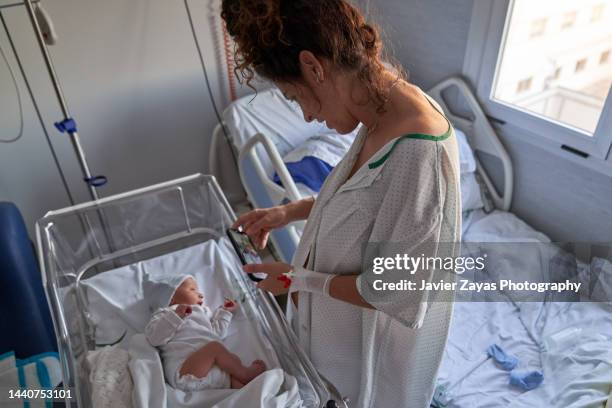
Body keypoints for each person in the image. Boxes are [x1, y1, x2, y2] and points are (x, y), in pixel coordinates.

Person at [222, 0, 461, 406]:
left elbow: (396, 291)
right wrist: (287, 212)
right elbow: (363, 201)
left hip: (373, 367)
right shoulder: (381, 114)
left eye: (296, 98)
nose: (308, 116)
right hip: (334, 347)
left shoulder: (417, 151)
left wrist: (300, 279)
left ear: (314, 68)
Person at [144, 275, 267, 391]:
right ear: (171, 298)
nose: (201, 294)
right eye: (192, 289)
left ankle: (242, 388)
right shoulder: (164, 314)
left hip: (205, 370)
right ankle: (244, 373)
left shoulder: (201, 313)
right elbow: (155, 338)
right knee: (215, 348)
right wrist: (176, 316)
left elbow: (216, 334)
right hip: (183, 371)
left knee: (230, 360)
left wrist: (225, 312)